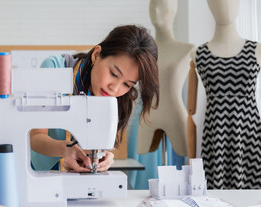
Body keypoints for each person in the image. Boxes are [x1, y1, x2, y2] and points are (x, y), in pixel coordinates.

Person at [30, 25, 160, 173]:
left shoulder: (113, 96)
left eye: (127, 84)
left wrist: (104, 156)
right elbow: (35, 137)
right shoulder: (54, 68)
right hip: (39, 173)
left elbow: (96, 143)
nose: (115, 88)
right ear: (97, 54)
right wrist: (66, 150)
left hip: (76, 175)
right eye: (113, 74)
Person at [188, 0, 261, 189]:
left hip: (248, 133)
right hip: (216, 133)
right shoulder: (198, 53)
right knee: (216, 198)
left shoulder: (257, 49)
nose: (226, 5)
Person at [137, 0, 195, 159]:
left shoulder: (188, 49)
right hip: (148, 116)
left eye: (161, 5)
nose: (156, 11)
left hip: (175, 115)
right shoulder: (143, 51)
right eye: (152, 6)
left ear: (173, 9)